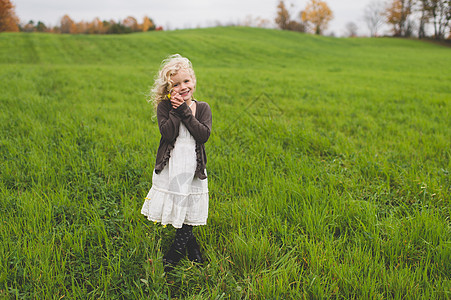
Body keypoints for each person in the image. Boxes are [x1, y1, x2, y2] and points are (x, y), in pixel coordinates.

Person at [141, 54, 212, 272]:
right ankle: (193, 249)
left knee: (190, 204)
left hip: (193, 169)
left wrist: (185, 111)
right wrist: (176, 110)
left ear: (194, 81)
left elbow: (203, 135)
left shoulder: (203, 108)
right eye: (176, 84)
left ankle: (173, 254)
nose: (183, 87)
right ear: (169, 89)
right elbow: (168, 133)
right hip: (172, 168)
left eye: (186, 81)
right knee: (179, 204)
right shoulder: (164, 108)